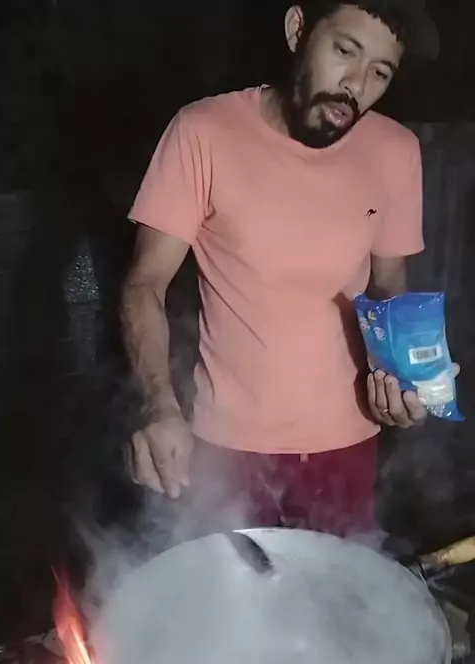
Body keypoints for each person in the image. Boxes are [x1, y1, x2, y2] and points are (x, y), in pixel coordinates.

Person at [121, 0, 440, 537]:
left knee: (337, 590)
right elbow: (145, 284)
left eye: (380, 73)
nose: (355, 85)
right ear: (298, 30)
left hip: (349, 446)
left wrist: (405, 379)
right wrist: (158, 405)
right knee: (227, 591)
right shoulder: (203, 132)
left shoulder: (396, 151)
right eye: (345, 51)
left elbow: (389, 287)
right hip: (227, 450)